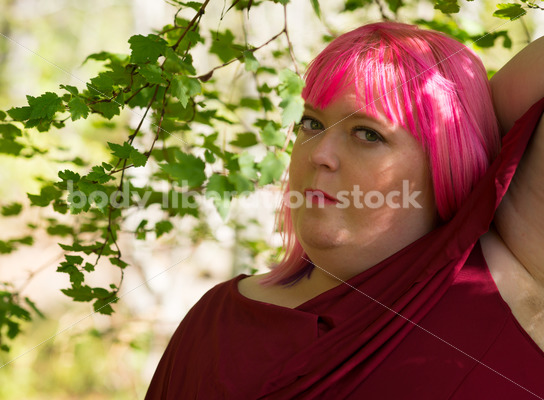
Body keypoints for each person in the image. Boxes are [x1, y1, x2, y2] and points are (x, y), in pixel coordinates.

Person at [145, 22, 544, 399]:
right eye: (312, 123)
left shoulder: (502, 284)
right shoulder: (216, 322)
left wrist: (462, 97)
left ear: (446, 163)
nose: (319, 154)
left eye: (367, 133)